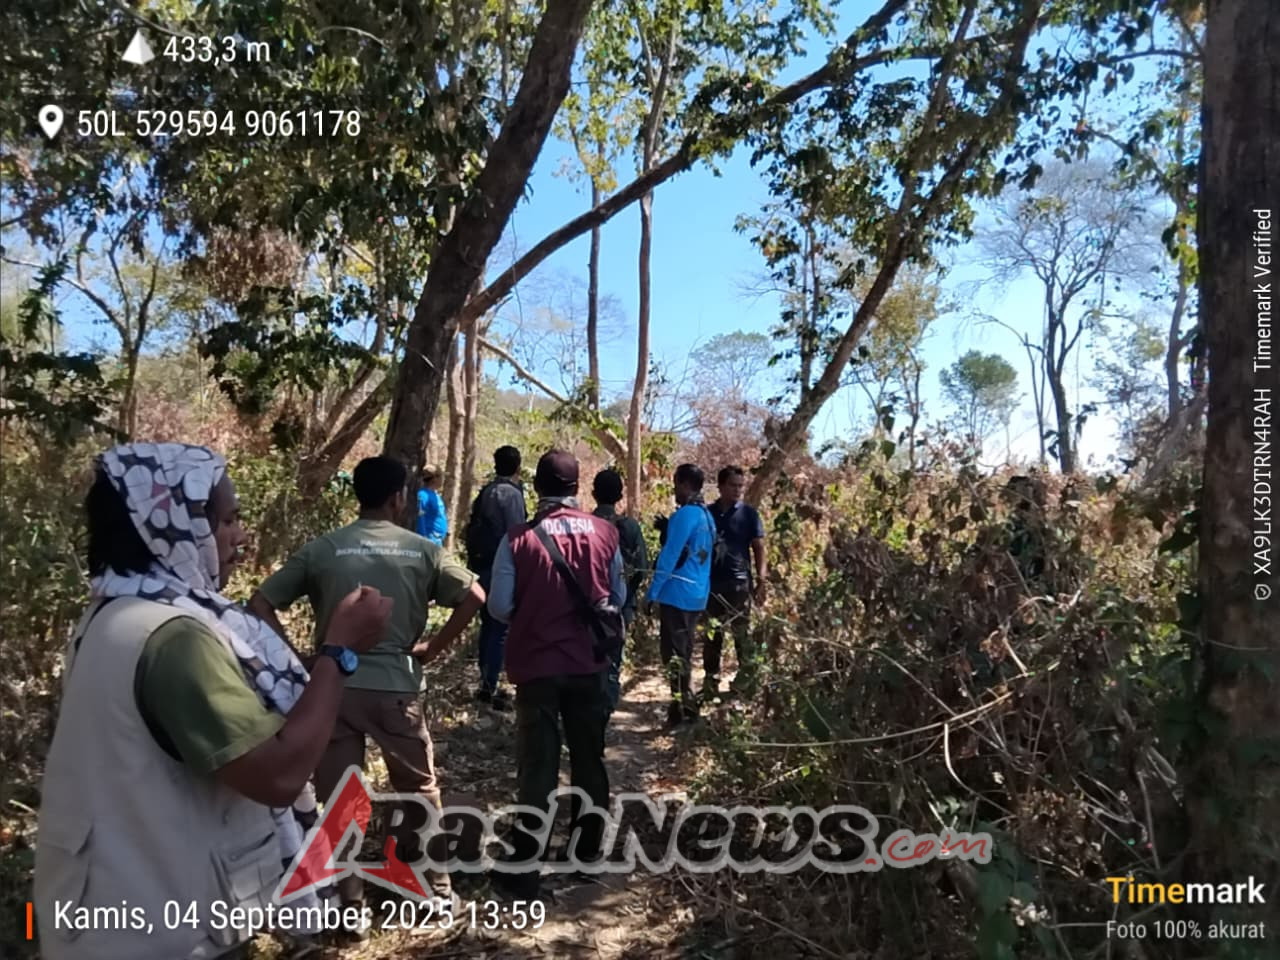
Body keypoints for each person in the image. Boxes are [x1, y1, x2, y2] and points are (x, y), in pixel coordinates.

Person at [34, 443, 393, 960]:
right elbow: (278, 775)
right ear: (174, 524)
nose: (239, 537)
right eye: (226, 520)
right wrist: (339, 652)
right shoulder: (173, 637)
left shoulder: (112, 614)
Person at [248, 456, 485, 919]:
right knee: (419, 789)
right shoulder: (422, 550)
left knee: (340, 798)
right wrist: (433, 647)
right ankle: (436, 891)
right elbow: (476, 596)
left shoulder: (323, 549)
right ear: (399, 498)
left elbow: (259, 602)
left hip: (334, 688)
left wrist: (300, 661)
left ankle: (348, 905)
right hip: (397, 686)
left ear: (358, 495)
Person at [486, 450, 624, 899]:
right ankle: (588, 857)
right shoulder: (606, 533)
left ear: (537, 485)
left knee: (539, 766)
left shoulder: (518, 539)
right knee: (590, 760)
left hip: (537, 668)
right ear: (575, 487)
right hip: (590, 666)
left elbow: (499, 606)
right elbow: (615, 596)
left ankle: (525, 868)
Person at [646, 463, 715, 725]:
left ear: (685, 484)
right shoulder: (706, 516)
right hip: (697, 594)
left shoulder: (686, 515)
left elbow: (670, 557)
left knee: (673, 655)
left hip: (678, 594)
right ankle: (679, 708)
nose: (674, 489)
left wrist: (652, 593)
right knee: (683, 652)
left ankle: (685, 707)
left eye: (676, 483)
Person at [464, 445, 527, 709]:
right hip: (500, 567)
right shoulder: (511, 495)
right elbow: (517, 534)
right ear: (517, 467)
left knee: (487, 624)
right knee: (499, 625)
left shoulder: (487, 491)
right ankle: (490, 683)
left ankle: (485, 680)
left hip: (480, 565)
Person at [703, 465, 767, 700]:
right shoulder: (707, 513)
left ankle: (745, 682)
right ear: (720, 486)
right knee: (712, 636)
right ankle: (710, 683)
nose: (738, 490)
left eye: (741, 486)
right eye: (733, 485)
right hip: (711, 585)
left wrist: (761, 580)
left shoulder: (749, 514)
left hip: (740, 584)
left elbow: (759, 547)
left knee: (741, 634)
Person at [590, 468, 648, 717]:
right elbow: (643, 567)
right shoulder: (630, 527)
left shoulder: (586, 525)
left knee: (589, 660)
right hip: (621, 608)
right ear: (620, 496)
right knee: (614, 661)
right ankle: (607, 709)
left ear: (593, 494)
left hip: (590, 606)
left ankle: (591, 711)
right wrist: (628, 597)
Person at [416, 465, 448, 545]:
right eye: (441, 477)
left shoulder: (435, 495)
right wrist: (423, 540)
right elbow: (420, 518)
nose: (442, 480)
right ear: (435, 478)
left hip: (437, 540)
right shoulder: (423, 495)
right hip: (429, 541)